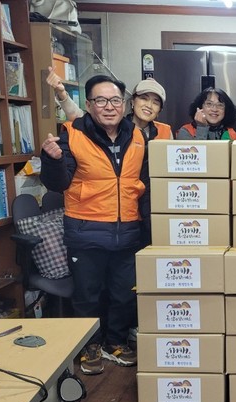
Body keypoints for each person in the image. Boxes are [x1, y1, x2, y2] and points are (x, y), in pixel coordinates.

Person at [40, 75, 146, 375]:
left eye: (115, 100)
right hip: (86, 230)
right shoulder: (72, 134)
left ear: (124, 105)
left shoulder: (137, 136)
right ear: (89, 105)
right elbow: (58, 183)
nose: (109, 107)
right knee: (88, 295)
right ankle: (91, 345)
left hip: (128, 230)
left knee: (124, 293)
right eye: (101, 100)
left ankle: (115, 342)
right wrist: (52, 160)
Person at [46, 67, 173, 141]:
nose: (149, 105)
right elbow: (78, 116)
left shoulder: (165, 131)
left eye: (155, 102)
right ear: (132, 101)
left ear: (160, 110)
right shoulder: (116, 125)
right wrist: (62, 93)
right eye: (144, 99)